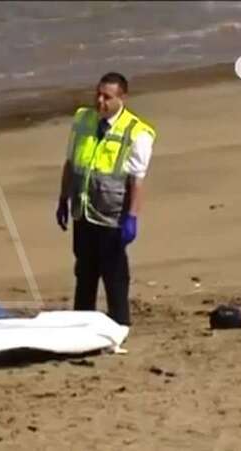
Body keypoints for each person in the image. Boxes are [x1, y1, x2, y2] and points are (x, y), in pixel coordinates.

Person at [56, 72, 156, 328]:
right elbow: (70, 163)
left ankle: (119, 324)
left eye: (107, 97)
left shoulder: (136, 132)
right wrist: (63, 199)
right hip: (83, 210)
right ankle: (81, 325)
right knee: (85, 273)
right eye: (98, 95)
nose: (100, 101)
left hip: (111, 215)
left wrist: (131, 218)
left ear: (121, 98)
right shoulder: (83, 120)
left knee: (114, 276)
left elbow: (136, 181)